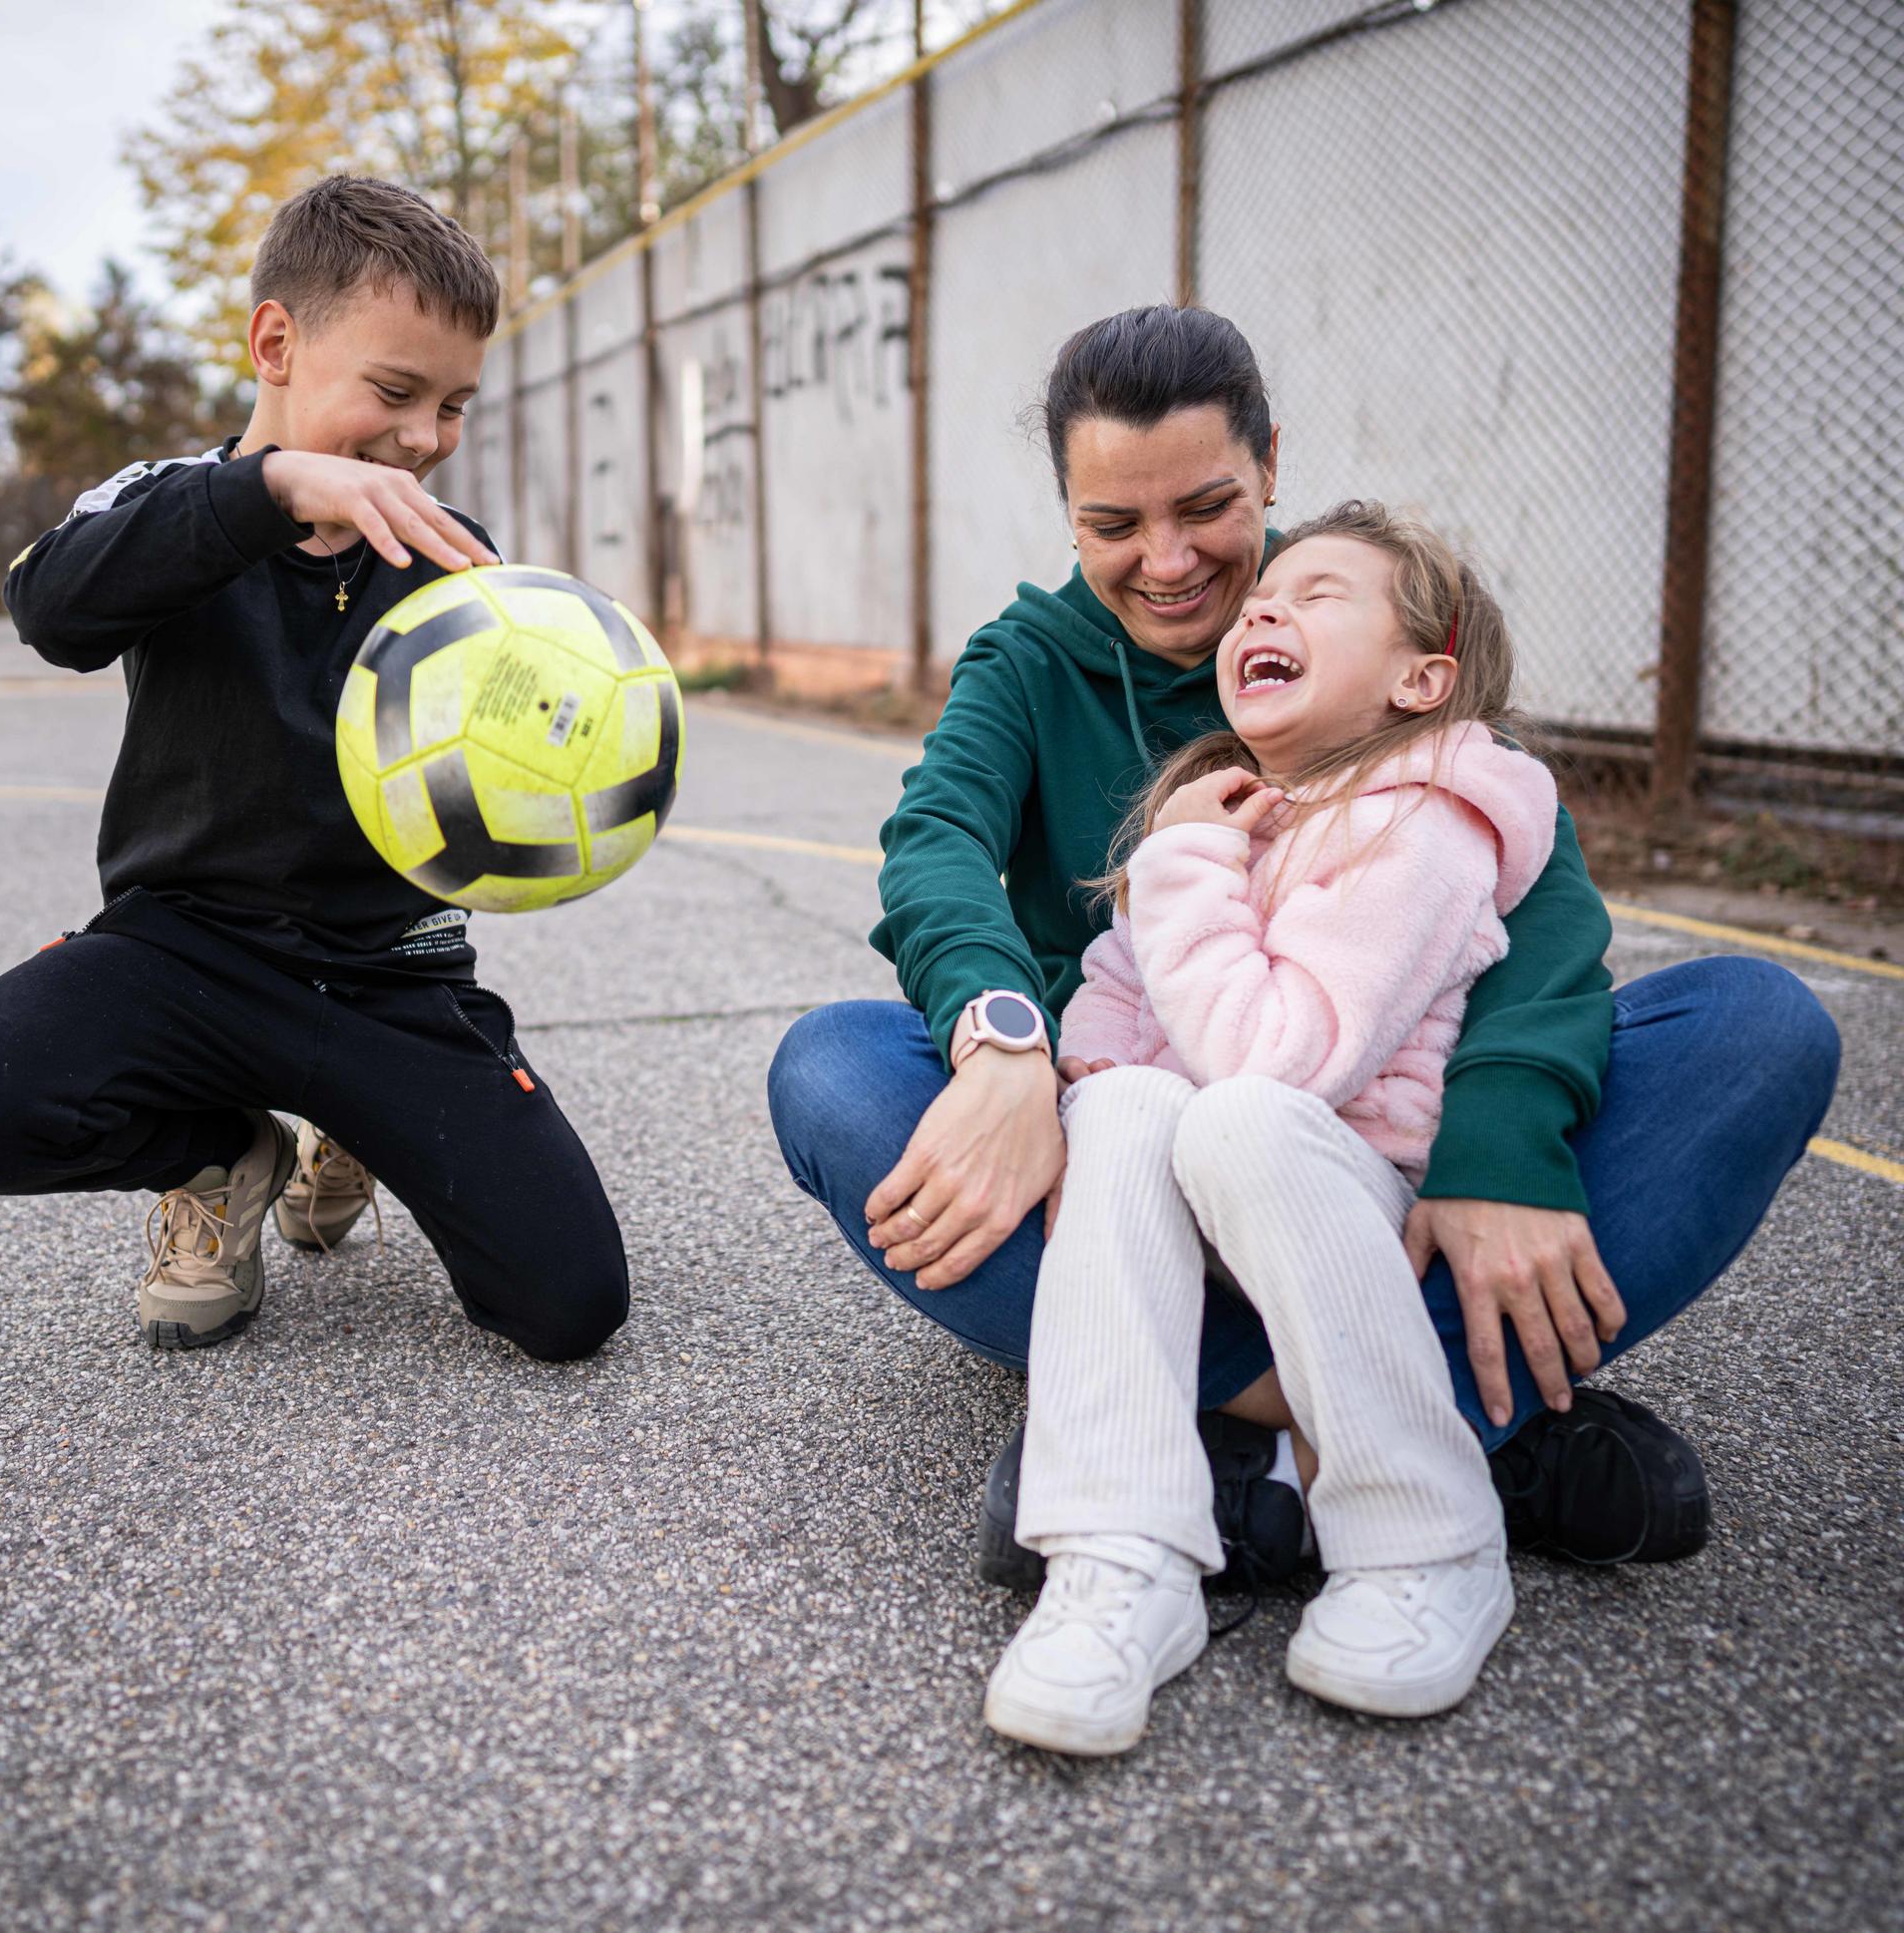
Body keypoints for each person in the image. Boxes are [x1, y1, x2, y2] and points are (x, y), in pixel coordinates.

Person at [766, 305, 1837, 1581]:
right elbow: (936, 841)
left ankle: (1191, 1451)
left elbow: (1531, 890)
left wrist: (1500, 1149)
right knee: (833, 1072)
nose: (1165, 562)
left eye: (1206, 508)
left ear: (1270, 463)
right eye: (1114, 525)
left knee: (1758, 1030)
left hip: (1376, 1164)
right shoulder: (1025, 665)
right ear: (1067, 513)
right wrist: (1004, 1048)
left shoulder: (1362, 609)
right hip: (1129, 1171)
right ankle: (1456, 1440)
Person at [0, 176, 628, 1363]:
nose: (423, 436)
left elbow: (511, 764)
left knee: (570, 1307)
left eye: (454, 405)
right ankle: (220, 1152)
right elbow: (54, 609)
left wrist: (572, 755)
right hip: (182, 952)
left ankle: (363, 1127)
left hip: (389, 977)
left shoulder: (455, 564)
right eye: (394, 391)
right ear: (276, 343)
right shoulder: (168, 506)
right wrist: (271, 492)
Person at [987, 501, 1559, 1755]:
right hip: (1188, 1205)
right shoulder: (1227, 810)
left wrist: (1187, 871)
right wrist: (1077, 1086)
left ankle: (1429, 1541)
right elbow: (1113, 1022)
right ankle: (1122, 1558)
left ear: (1422, 677)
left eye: (1317, 595)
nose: (1263, 609)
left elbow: (1277, 1061)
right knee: (1126, 1105)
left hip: (1337, 1201)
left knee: (1236, 1114)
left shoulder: (1421, 820)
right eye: (1266, 599)